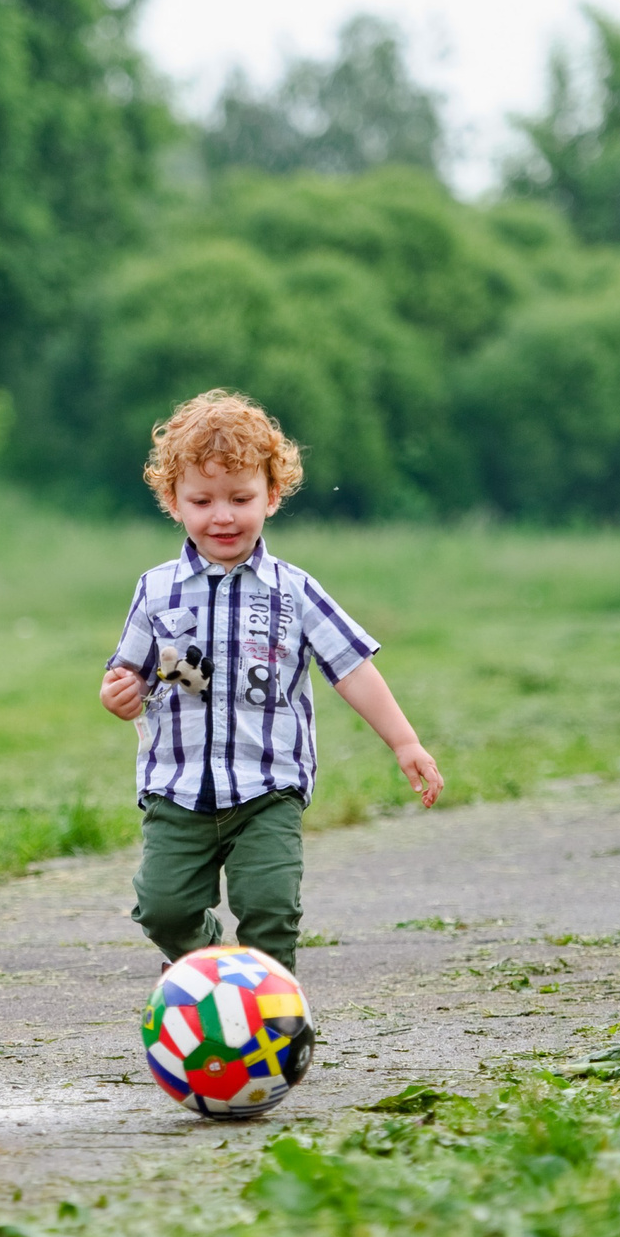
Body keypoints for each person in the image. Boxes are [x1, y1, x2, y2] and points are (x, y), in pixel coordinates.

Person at [99, 390, 442, 975]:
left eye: (240, 498)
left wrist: (405, 742)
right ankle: (209, 968)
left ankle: (272, 1021)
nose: (222, 516)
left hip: (268, 787)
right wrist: (118, 696)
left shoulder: (295, 591)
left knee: (268, 908)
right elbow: (126, 674)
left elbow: (352, 667)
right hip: (176, 787)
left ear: (272, 496)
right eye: (202, 500)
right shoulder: (155, 589)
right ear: (174, 502)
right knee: (163, 908)